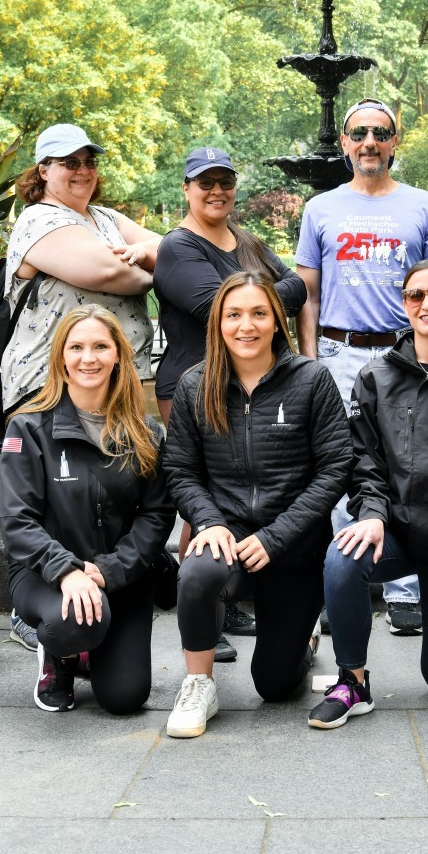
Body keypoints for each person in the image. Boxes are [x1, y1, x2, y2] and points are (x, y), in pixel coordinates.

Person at [310, 260, 428, 730]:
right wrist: (372, 514)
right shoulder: (376, 378)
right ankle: (352, 682)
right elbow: (365, 462)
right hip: (394, 533)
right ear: (404, 305)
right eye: (416, 295)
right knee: (342, 556)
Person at [162, 272, 350, 738]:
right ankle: (199, 683)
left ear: (276, 321)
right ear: (219, 324)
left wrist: (276, 537)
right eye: (234, 315)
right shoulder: (194, 386)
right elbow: (180, 471)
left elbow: (335, 468)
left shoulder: (311, 380)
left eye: (259, 313)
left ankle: (304, 635)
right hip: (226, 536)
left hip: (293, 547)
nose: (246, 325)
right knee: (195, 573)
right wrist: (208, 521)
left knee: (275, 684)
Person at [296, 98, 428, 635]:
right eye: (358, 132)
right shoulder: (320, 208)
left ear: (394, 142)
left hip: (404, 353)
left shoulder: (425, 206)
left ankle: (405, 588)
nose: (369, 142)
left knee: (408, 463)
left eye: (380, 133)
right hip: (339, 353)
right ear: (344, 143)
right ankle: (349, 579)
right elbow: (307, 295)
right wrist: (310, 361)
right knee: (340, 466)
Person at [153, 145, 307, 648]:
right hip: (193, 384)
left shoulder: (247, 241)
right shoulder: (179, 246)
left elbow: (300, 285)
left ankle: (224, 601)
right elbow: (211, 307)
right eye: (205, 182)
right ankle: (197, 608)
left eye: (225, 181)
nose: (216, 191)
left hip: (250, 382)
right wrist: (261, 298)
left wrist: (253, 295)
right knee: (196, 497)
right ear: (186, 188)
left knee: (234, 488)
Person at [0, 306, 176, 714]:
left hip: (120, 575)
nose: (88, 358)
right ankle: (58, 656)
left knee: (124, 697)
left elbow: (157, 515)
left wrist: (109, 570)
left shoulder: (146, 432)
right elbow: (17, 520)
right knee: (75, 624)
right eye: (76, 347)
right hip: (45, 574)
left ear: (118, 355)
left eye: (100, 346)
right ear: (61, 356)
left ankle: (90, 652)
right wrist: (67, 571)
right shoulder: (28, 427)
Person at [0, 124, 162, 411]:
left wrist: (136, 251)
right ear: (44, 171)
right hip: (52, 389)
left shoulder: (105, 217)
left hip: (120, 383)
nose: (83, 171)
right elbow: (109, 272)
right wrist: (150, 272)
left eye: (89, 162)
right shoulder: (39, 219)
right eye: (70, 163)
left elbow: (174, 251)